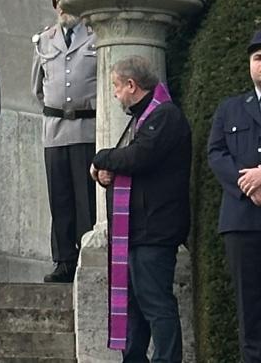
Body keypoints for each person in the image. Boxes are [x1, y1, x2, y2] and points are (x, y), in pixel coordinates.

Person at [90, 55, 190, 363]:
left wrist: (100, 159)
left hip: (155, 232)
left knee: (156, 306)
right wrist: (106, 172)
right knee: (133, 311)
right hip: (135, 232)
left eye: (116, 87)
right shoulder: (143, 117)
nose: (116, 94)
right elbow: (129, 161)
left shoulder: (165, 116)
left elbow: (138, 158)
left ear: (132, 85)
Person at [30, 0, 98, 283]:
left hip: (86, 128)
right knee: (60, 199)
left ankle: (86, 256)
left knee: (86, 199)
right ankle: (63, 260)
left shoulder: (95, 36)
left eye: (68, 3)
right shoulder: (44, 40)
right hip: (56, 129)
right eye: (59, 4)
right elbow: (37, 88)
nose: (63, 9)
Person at [206, 31, 261, 363]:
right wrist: (249, 184)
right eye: (257, 57)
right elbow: (216, 153)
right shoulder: (230, 109)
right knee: (249, 309)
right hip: (241, 219)